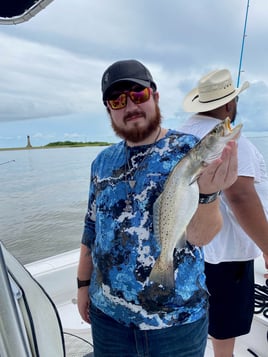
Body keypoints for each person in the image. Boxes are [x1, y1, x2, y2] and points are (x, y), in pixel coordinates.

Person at [77, 59, 238, 357]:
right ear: (109, 110)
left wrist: (208, 194)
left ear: (155, 96)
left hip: (177, 323)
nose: (130, 106)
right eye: (117, 100)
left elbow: (201, 237)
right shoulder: (100, 163)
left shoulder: (189, 151)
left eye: (138, 95)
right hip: (108, 320)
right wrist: (82, 284)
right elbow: (91, 229)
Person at [181, 68, 268, 357]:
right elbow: (241, 196)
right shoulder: (228, 137)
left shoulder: (181, 132)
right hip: (226, 255)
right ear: (230, 103)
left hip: (190, 251)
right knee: (223, 333)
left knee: (202, 320)